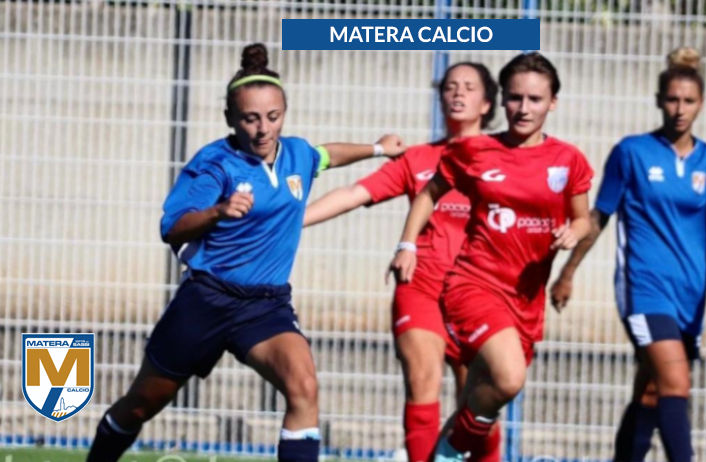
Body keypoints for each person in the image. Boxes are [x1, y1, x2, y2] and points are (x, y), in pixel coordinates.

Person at [86, 43, 405, 462]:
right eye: (250, 118)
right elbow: (171, 227)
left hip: (265, 306)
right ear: (230, 119)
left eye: (273, 116)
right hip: (207, 300)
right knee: (141, 405)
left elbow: (327, 155)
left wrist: (377, 148)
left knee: (303, 386)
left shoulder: (296, 154)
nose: (263, 129)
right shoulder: (215, 164)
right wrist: (217, 211)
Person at [549, 47, 706, 462]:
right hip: (644, 290)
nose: (680, 109)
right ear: (658, 100)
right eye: (672, 99)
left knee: (650, 391)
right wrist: (567, 272)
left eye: (688, 101)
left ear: (701, 104)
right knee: (676, 383)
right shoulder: (632, 153)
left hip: (690, 295)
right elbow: (599, 216)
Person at [389, 52, 593, 462]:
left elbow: (583, 218)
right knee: (509, 378)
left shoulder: (567, 159)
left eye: (535, 99)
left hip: (526, 298)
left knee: (482, 397)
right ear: (502, 101)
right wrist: (407, 243)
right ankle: (450, 451)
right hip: (475, 285)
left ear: (553, 102)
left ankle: (443, 454)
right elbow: (429, 194)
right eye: (515, 98)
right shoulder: (476, 151)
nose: (524, 108)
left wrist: (575, 231)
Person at [303, 62, 501, 462]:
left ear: (487, 103)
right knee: (422, 380)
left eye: (469, 87)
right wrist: (290, 220)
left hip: (479, 293)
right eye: (450, 86)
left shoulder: (504, 159)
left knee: (480, 401)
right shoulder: (419, 158)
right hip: (422, 287)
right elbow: (355, 193)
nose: (458, 93)